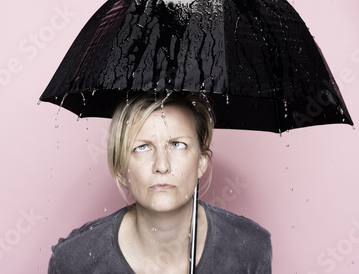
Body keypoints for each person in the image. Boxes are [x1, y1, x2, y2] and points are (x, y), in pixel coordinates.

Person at [48, 92, 272, 273]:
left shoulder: (249, 248)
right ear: (120, 170)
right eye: (142, 147)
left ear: (201, 162)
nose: (162, 165)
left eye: (177, 144)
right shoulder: (75, 261)